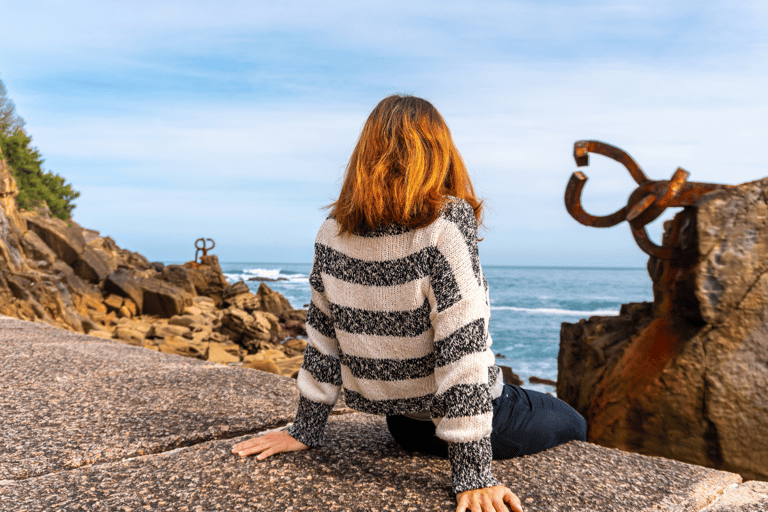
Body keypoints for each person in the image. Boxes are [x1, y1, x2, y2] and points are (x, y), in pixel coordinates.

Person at [232, 95, 586, 512]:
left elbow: (323, 336)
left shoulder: (332, 230)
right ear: (438, 153)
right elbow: (463, 346)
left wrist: (305, 429)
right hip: (473, 424)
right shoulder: (445, 223)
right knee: (574, 420)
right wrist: (473, 475)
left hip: (404, 427)